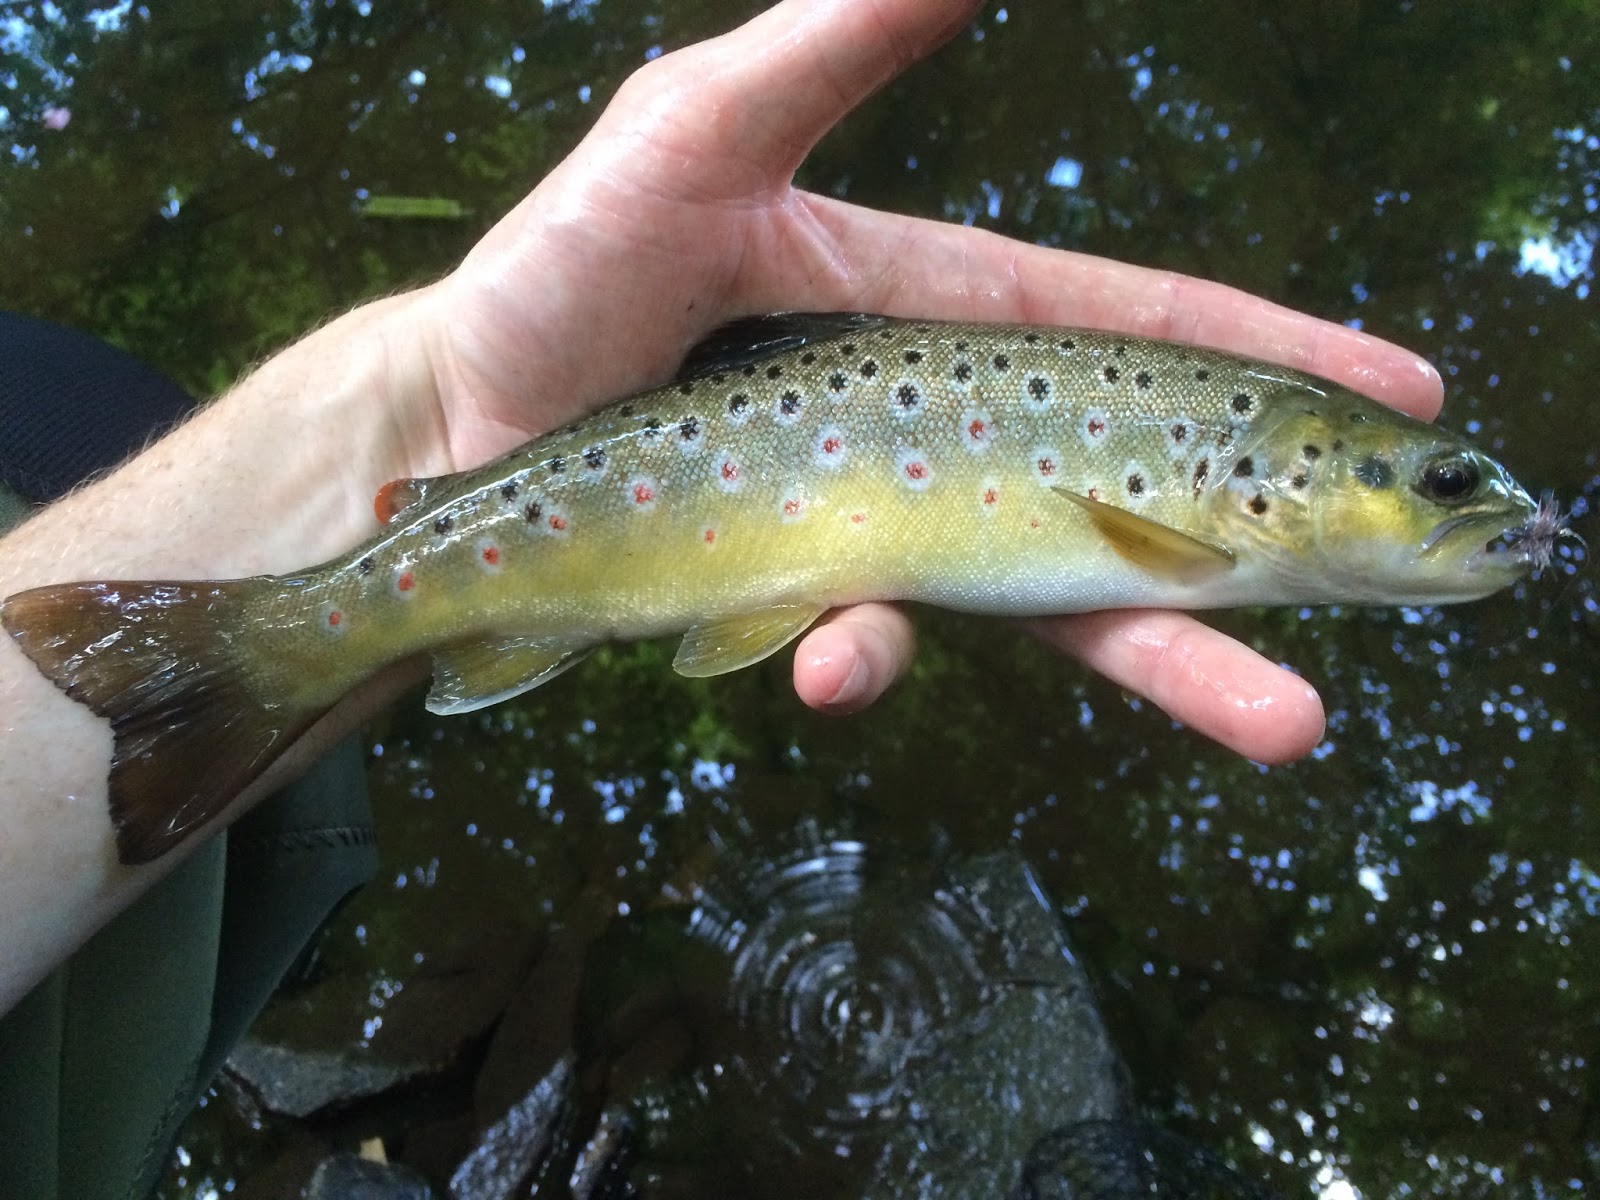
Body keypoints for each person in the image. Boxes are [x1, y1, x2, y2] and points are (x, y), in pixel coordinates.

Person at [0, 0, 1444, 1192]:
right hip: (613, 487)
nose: (1472, 515)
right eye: (1436, 486)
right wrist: (431, 399)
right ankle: (254, 654)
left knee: (75, 402)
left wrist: (424, 398)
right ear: (1289, 469)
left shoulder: (1225, 482)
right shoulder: (1208, 505)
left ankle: (244, 658)